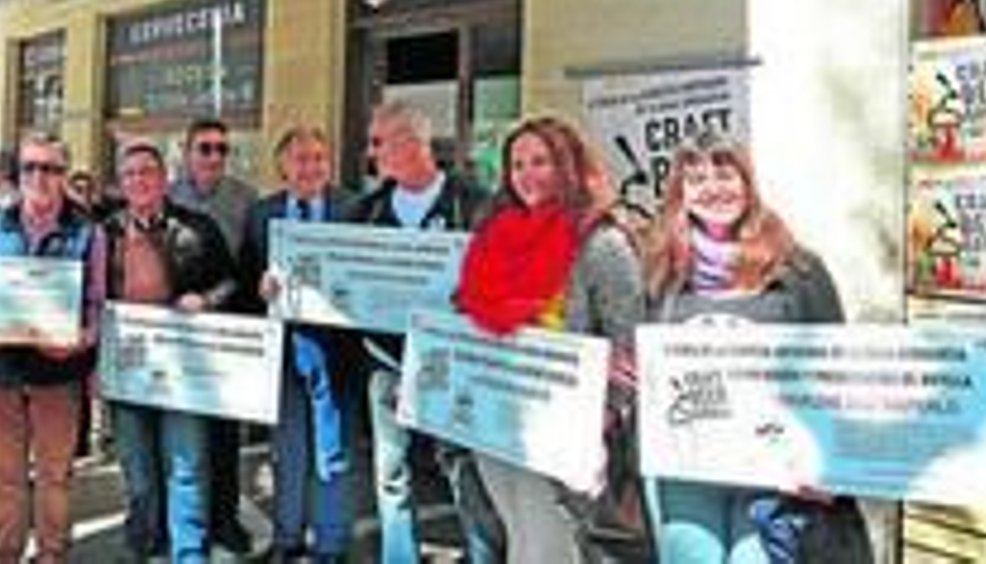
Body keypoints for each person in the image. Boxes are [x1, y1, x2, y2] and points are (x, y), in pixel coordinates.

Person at [641, 132, 852, 563]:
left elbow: (836, 366)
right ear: (681, 193)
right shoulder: (662, 270)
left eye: (725, 174)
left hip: (773, 472)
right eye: (697, 179)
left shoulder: (797, 268)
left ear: (747, 183)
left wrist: (830, 463)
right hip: (687, 468)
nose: (713, 189)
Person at [453, 116, 645, 563]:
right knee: (520, 539)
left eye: (540, 161)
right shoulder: (496, 234)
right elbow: (467, 312)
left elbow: (628, 342)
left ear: (568, 165)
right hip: (498, 414)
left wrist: (604, 417)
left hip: (565, 425)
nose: (527, 174)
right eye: (517, 164)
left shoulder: (602, 241)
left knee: (550, 547)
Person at [351, 101, 503, 564]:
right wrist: (286, 284)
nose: (371, 152)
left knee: (462, 466)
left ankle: (482, 555)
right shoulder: (367, 210)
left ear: (410, 142)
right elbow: (341, 273)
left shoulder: (474, 203)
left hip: (453, 359)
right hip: (386, 358)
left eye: (378, 142)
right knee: (391, 470)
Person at [0, 132, 105, 563]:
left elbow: (97, 306)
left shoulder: (88, 233)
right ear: (18, 173)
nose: (40, 177)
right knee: (3, 479)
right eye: (30, 167)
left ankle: (51, 554)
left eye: (51, 168)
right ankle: (4, 555)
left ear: (64, 174)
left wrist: (81, 340)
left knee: (54, 477)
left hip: (59, 375)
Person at [104, 139, 238, 563]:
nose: (139, 180)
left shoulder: (198, 227)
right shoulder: (105, 233)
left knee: (187, 465)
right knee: (138, 470)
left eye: (147, 171)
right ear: (121, 184)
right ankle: (146, 543)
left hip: (184, 367)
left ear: (164, 179)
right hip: (128, 367)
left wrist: (206, 300)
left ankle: (188, 551)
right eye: (130, 174)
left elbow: (231, 281)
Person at [240, 125, 357, 562]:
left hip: (337, 348)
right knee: (287, 448)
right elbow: (245, 278)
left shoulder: (352, 208)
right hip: (284, 348)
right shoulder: (262, 213)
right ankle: (286, 539)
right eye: (301, 159)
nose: (312, 167)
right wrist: (260, 288)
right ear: (282, 167)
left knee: (333, 449)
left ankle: (330, 543)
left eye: (319, 158)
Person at [168, 117, 259, 553]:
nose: (214, 156)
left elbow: (252, 265)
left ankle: (225, 519)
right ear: (187, 153)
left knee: (224, 432)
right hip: (177, 327)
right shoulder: (168, 196)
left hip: (229, 326)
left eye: (222, 149)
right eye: (204, 148)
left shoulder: (246, 198)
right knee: (181, 435)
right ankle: (182, 523)